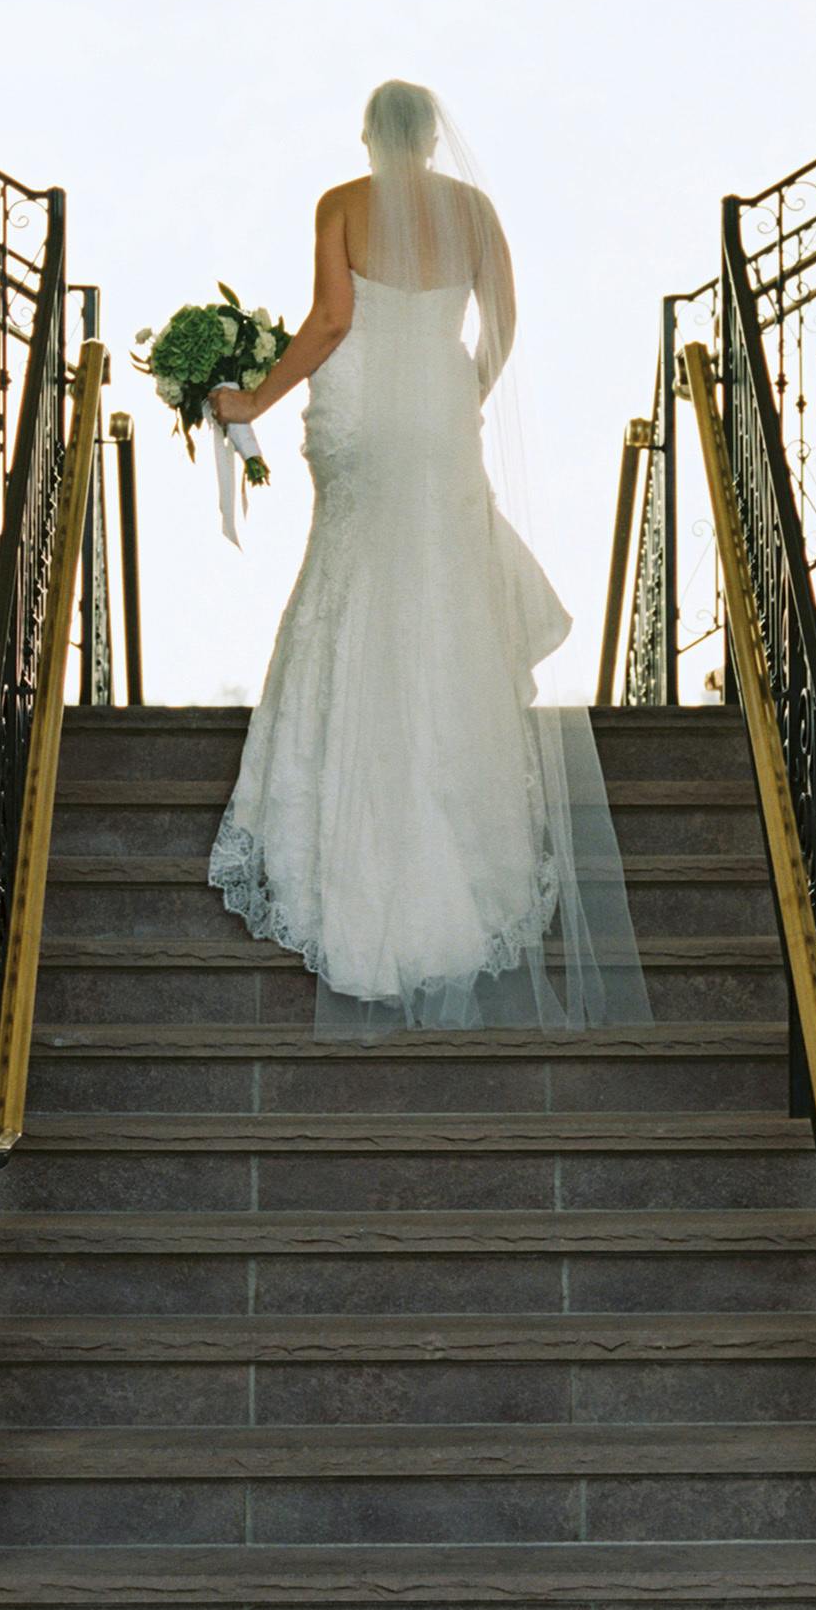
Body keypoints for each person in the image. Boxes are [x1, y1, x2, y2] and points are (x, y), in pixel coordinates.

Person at [206, 79, 647, 1033]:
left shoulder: (341, 203)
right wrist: (464, 391)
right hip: (440, 412)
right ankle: (454, 856)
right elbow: (504, 322)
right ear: (435, 138)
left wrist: (253, 400)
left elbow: (331, 323)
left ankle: (347, 855)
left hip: (364, 415)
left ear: (370, 135)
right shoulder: (474, 210)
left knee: (352, 581)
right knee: (442, 596)